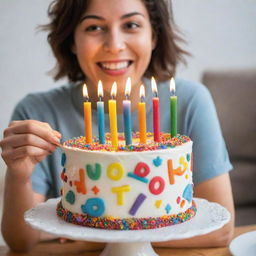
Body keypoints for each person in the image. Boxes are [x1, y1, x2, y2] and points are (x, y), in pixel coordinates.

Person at [0, 0, 234, 252]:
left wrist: (91, 238)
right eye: (94, 28)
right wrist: (19, 174)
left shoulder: (190, 101)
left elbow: (221, 232)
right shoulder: (37, 112)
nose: (115, 45)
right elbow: (21, 243)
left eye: (131, 25)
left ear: (154, 36)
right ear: (71, 41)